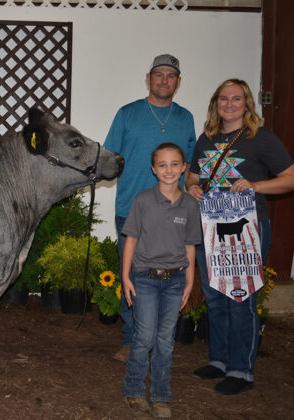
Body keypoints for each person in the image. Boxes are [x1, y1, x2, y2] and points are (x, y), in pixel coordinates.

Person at [186, 78, 294, 395]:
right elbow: (193, 177)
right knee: (215, 297)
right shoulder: (206, 139)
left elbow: (290, 178)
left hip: (247, 229)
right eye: (223, 98)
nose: (229, 104)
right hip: (210, 227)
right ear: (215, 103)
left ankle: (241, 370)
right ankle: (219, 360)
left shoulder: (261, 138)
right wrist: (192, 187)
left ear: (247, 103)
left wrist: (255, 186)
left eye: (236, 98)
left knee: (241, 299)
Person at [104, 54, 196, 362]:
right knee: (131, 273)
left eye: (171, 75)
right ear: (148, 78)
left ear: (178, 82)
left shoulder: (185, 118)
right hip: (132, 209)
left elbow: (191, 166)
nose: (164, 80)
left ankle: (161, 340)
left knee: (170, 276)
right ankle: (131, 340)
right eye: (159, 74)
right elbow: (110, 159)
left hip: (173, 213)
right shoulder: (127, 114)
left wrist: (194, 188)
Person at [122, 142, 201, 418]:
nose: (169, 170)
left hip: (175, 281)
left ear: (184, 168)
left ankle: (160, 396)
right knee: (144, 337)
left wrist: (189, 281)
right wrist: (125, 277)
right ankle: (134, 390)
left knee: (166, 339)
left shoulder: (190, 205)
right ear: (154, 169)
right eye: (162, 165)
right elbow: (131, 241)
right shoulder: (143, 201)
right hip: (144, 278)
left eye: (175, 164)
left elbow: (190, 246)